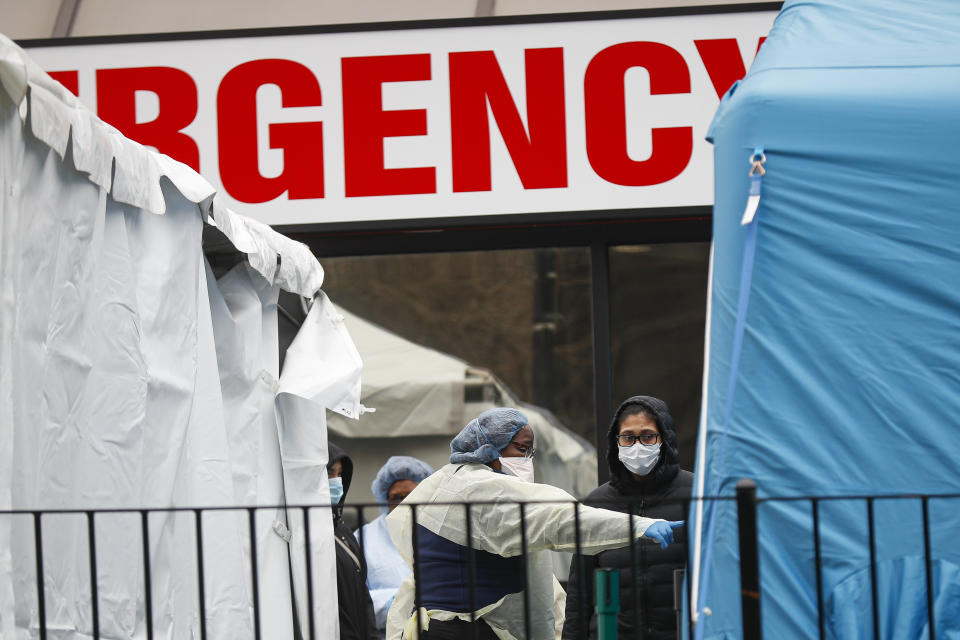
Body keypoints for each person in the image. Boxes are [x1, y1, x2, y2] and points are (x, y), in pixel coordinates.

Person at [384, 408, 683, 640]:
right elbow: (562, 520)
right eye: (521, 449)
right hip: (474, 631)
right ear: (491, 447)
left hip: (431, 628)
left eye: (531, 452)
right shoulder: (488, 490)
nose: (528, 459)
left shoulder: (439, 483)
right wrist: (639, 527)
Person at [562, 396, 693, 640]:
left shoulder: (695, 494)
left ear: (664, 439)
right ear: (617, 441)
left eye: (647, 436)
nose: (637, 445)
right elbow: (580, 594)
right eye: (628, 437)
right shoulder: (597, 504)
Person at [357, 456, 436, 634]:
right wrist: (397, 601)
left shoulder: (440, 530)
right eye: (396, 498)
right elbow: (356, 598)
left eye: (411, 495)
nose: (404, 503)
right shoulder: (364, 537)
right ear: (384, 500)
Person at [329, 442, 381, 640]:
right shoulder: (306, 534)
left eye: (340, 474)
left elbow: (362, 597)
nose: (336, 482)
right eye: (329, 473)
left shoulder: (343, 531)